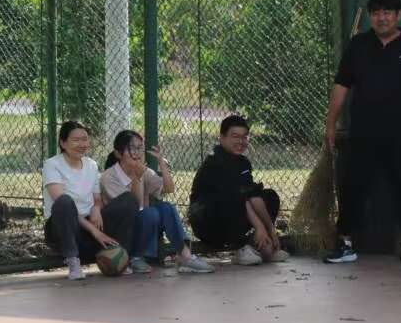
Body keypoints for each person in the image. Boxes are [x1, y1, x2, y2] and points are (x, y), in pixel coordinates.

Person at [324, 0, 401, 267]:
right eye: (376, 13)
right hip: (363, 134)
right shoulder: (357, 46)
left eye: (387, 12)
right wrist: (330, 124)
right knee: (353, 187)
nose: (382, 18)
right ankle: (345, 244)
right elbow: (341, 86)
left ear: (399, 15)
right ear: (370, 17)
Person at [101, 130, 213, 274]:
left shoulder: (143, 171)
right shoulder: (109, 177)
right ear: (118, 153)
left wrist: (161, 162)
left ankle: (185, 256)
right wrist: (137, 178)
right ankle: (135, 258)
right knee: (150, 213)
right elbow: (133, 206)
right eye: (131, 148)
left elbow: (169, 189)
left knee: (167, 207)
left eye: (139, 148)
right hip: (123, 233)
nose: (136, 153)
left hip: (144, 225)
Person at [42, 121, 138, 281]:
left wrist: (96, 209)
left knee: (128, 200)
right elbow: (61, 203)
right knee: (65, 202)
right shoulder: (52, 164)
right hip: (65, 229)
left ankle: (118, 256)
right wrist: (95, 231)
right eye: (76, 140)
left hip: (89, 227)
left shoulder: (91, 165)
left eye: (85, 139)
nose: (82, 144)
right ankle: (73, 261)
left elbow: (97, 199)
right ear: (63, 143)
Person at [188, 115, 289, 266]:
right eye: (235, 136)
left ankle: (259, 246)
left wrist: (270, 230)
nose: (240, 141)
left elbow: (253, 195)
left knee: (269, 196)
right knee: (236, 196)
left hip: (233, 211)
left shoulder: (243, 163)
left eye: (244, 137)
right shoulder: (215, 161)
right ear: (222, 138)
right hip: (208, 224)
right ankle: (241, 249)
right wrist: (259, 226)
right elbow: (237, 197)